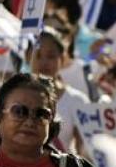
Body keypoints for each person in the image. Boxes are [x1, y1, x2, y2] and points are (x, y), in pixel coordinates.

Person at [27, 26, 90, 154]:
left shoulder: (78, 100)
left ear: (62, 59)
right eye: (38, 55)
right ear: (28, 58)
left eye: (50, 56)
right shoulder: (14, 96)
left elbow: (84, 150)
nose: (44, 62)